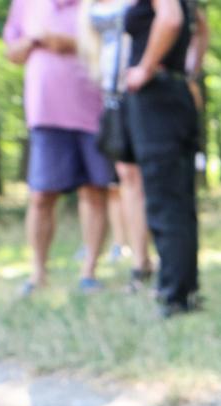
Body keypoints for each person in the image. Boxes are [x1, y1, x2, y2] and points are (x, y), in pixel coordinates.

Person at [2, 0, 110, 296]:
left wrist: (72, 43)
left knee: (95, 192)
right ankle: (38, 273)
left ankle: (89, 272)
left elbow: (115, 42)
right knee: (41, 195)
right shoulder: (25, 5)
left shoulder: (94, 3)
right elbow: (12, 52)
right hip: (45, 110)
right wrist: (35, 39)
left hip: (93, 109)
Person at [122, 0, 201, 317]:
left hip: (157, 95)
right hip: (176, 90)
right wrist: (187, 70)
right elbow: (198, 26)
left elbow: (170, 19)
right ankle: (183, 289)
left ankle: (173, 293)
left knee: (164, 198)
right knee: (179, 198)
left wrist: (145, 67)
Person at [79, 0, 153, 290]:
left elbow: (188, 21)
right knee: (126, 179)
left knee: (145, 178)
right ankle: (140, 261)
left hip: (144, 89)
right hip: (111, 95)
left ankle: (156, 258)